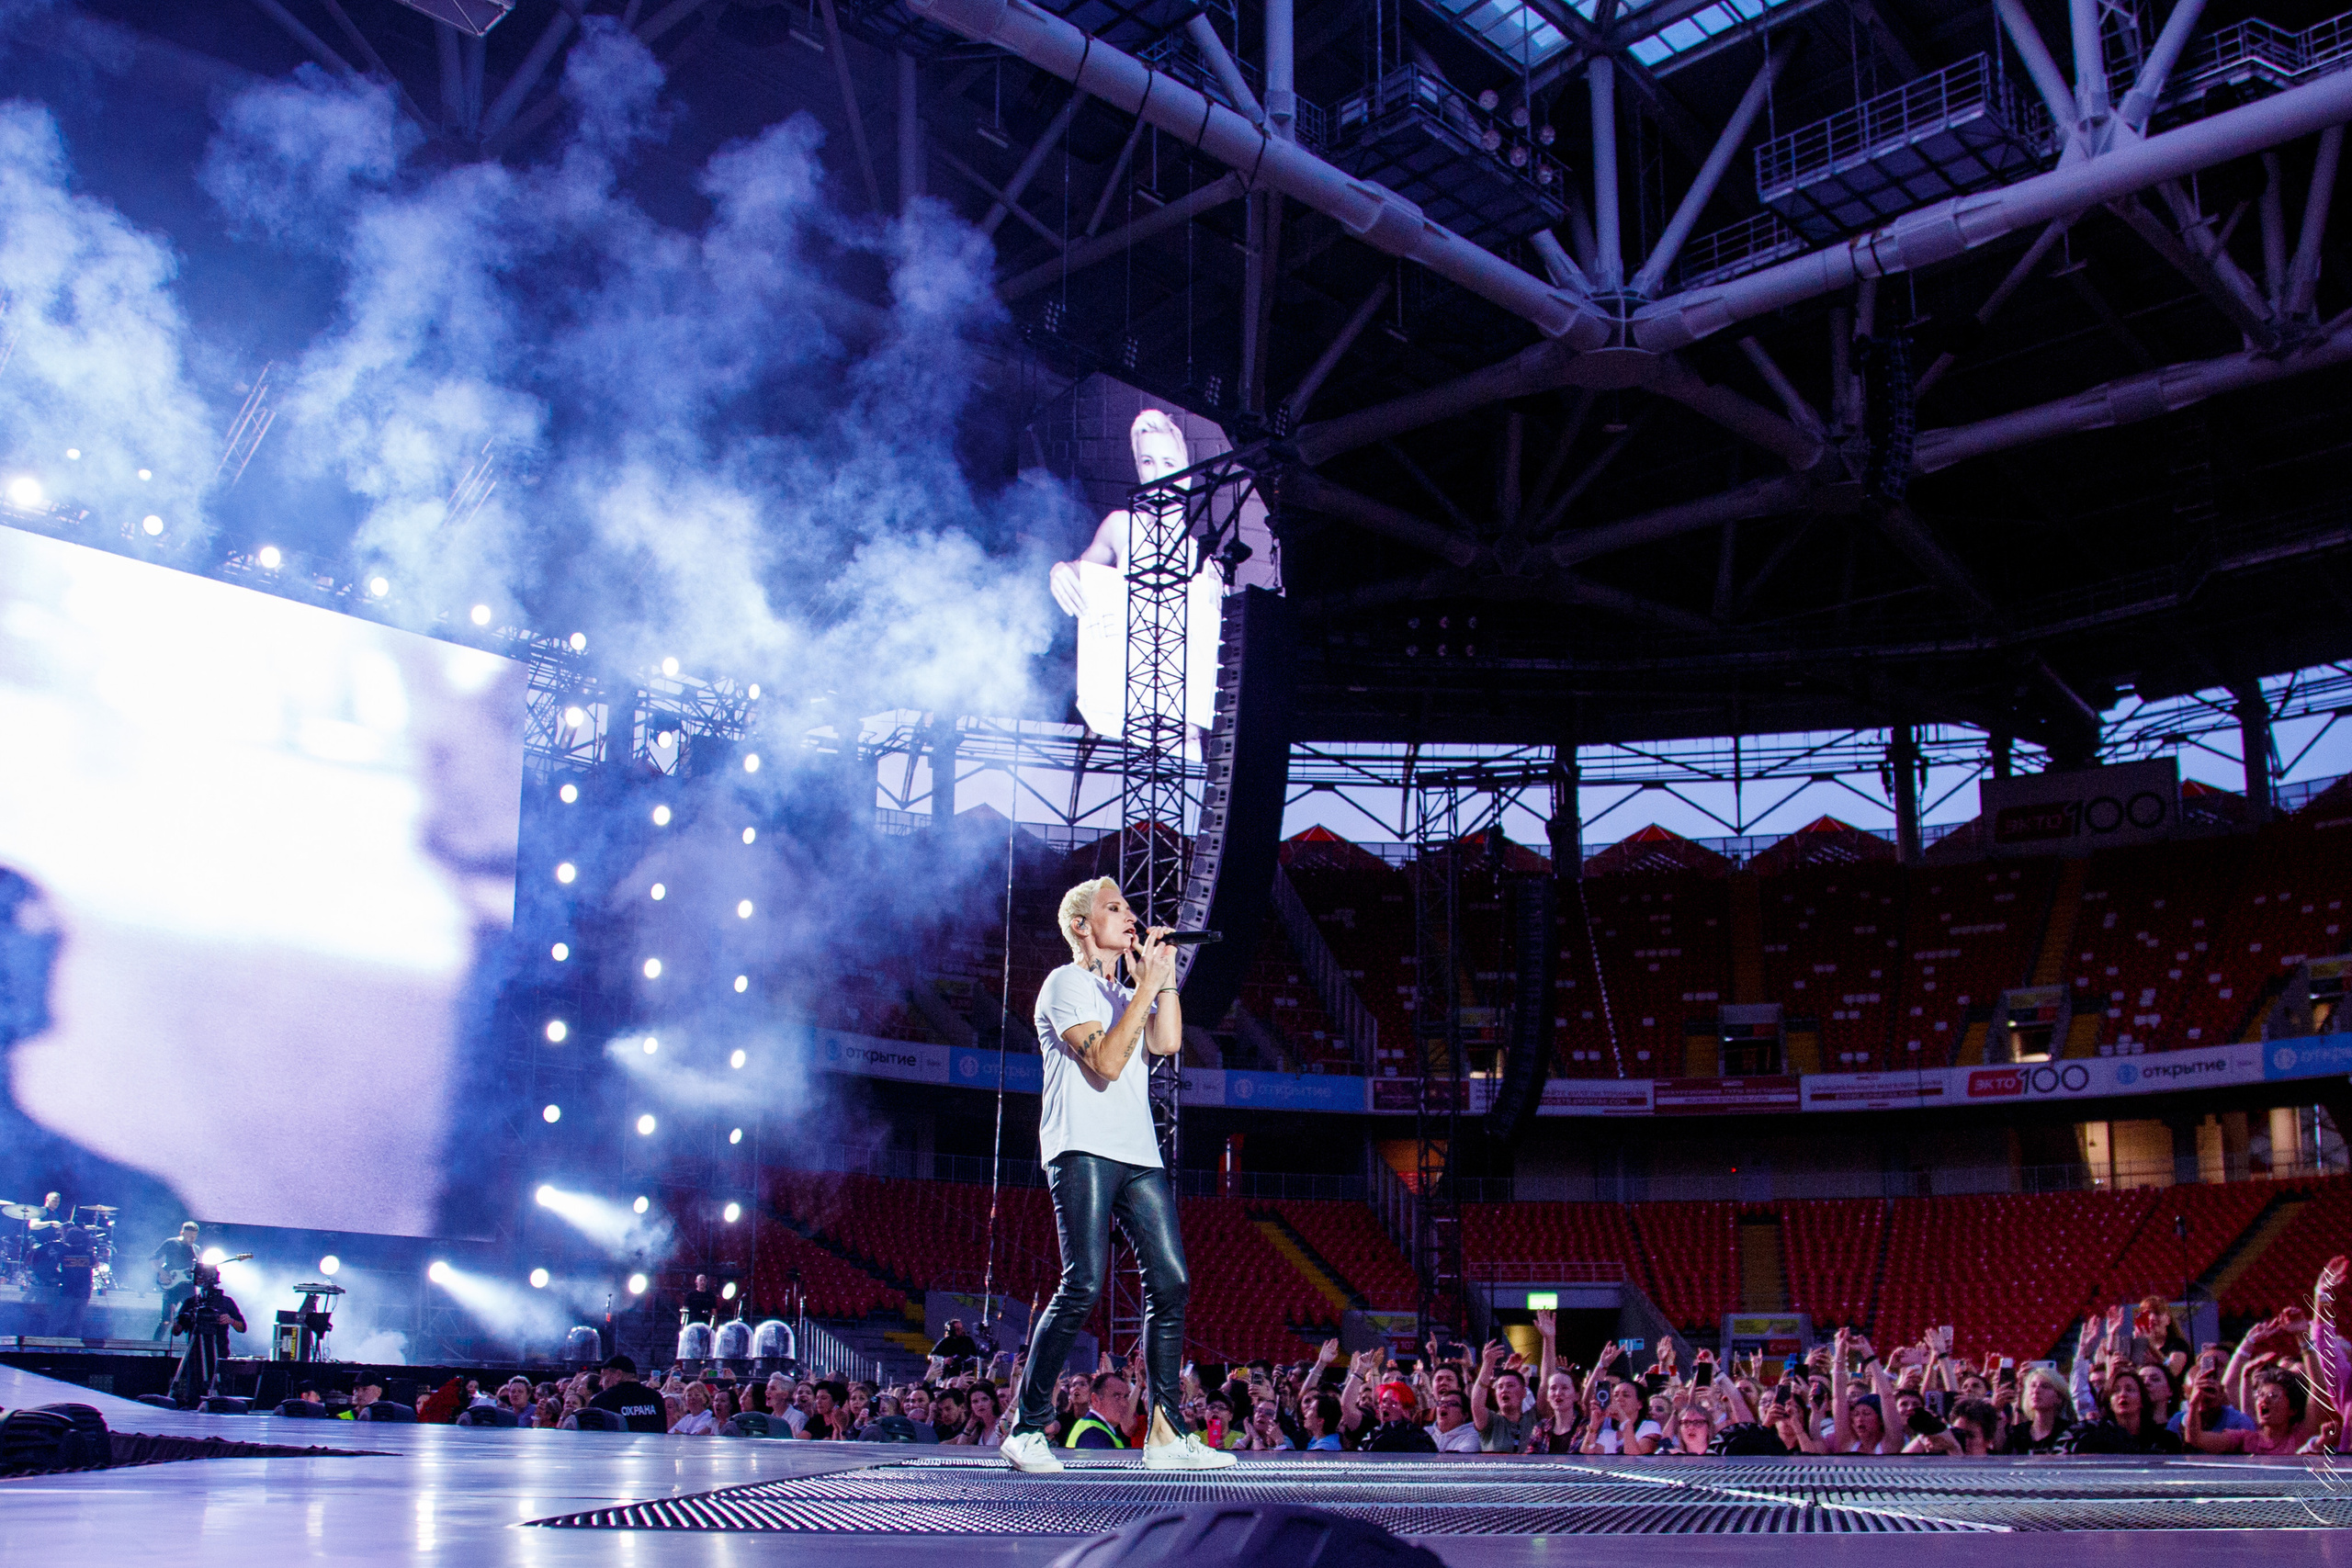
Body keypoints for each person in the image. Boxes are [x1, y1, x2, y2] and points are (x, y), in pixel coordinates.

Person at [1001, 879, 1231, 1476]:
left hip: (1138, 1152)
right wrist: (1146, 986)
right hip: (1081, 1146)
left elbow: (1167, 1039)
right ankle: (1026, 1427)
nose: (1131, 915)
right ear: (1082, 925)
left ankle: (1165, 1430)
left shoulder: (1125, 990)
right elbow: (1104, 1062)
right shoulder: (1066, 983)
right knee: (1083, 1282)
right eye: (1115, 908)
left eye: (1130, 906)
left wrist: (1165, 978)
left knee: (1172, 1280)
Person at [169, 1262, 246, 1406]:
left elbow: (242, 1327)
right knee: (194, 1394)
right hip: (196, 1355)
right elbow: (177, 1332)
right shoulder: (191, 1302)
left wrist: (230, 1320)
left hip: (219, 1353)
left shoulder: (226, 1302)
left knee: (220, 1392)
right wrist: (178, 1321)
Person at [587, 1355, 667, 1433]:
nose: (601, 1383)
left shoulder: (601, 1400)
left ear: (618, 1375)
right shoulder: (655, 1398)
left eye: (604, 1376)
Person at [150, 1222, 201, 1338]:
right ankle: (154, 1350)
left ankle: (191, 1352)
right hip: (172, 1286)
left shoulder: (196, 1249)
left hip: (188, 1287)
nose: (191, 1239)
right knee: (166, 1321)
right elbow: (153, 1259)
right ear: (182, 1233)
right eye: (189, 1236)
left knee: (192, 1319)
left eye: (194, 1237)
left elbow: (196, 1269)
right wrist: (162, 1273)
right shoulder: (171, 1243)